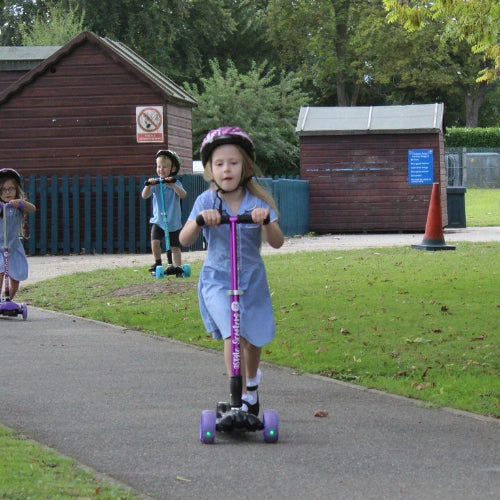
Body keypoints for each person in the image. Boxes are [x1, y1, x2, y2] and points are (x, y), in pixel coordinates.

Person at [179, 126, 284, 416]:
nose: (227, 169)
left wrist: (266, 222)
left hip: (251, 279)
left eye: (233, 163)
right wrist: (200, 220)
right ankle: (236, 397)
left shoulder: (257, 203)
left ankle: (252, 388)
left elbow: (277, 242)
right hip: (217, 279)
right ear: (211, 169)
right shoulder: (206, 201)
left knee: (252, 339)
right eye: (220, 163)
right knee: (233, 333)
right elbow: (184, 239)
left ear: (245, 167)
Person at [142, 149, 187, 276]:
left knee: (175, 247)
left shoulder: (176, 183)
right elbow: (144, 196)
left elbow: (183, 195)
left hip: (173, 221)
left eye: (164, 167)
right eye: (158, 166)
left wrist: (173, 185)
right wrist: (148, 185)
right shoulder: (156, 184)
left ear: (172, 169)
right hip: (159, 221)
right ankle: (158, 262)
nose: (161, 169)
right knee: (155, 241)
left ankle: (177, 267)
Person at [0, 168, 36, 300]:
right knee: (0, 272)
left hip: (13, 247)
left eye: (11, 189)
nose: (7, 192)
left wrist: (21, 202)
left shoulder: (17, 206)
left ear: (16, 190)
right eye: (3, 189)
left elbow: (32, 209)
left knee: (15, 279)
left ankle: (7, 300)